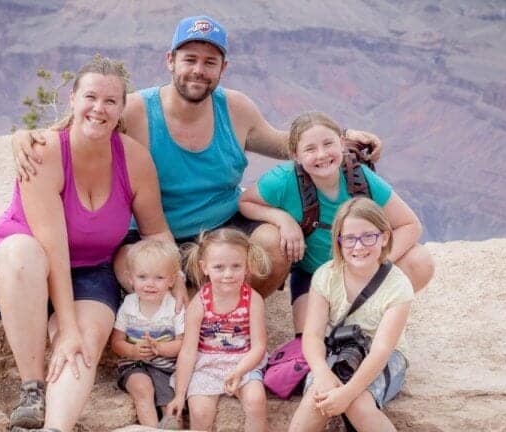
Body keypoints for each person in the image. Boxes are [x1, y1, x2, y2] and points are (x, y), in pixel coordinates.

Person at [10, 15, 384, 299]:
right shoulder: (138, 111)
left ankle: (232, 318)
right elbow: (85, 125)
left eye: (210, 62)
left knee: (274, 246)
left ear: (223, 68)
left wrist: (341, 139)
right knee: (131, 269)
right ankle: (190, 315)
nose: (198, 71)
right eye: (190, 59)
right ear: (170, 60)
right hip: (154, 232)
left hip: (224, 224)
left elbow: (287, 143)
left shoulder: (235, 108)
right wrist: (25, 137)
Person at [0, 55, 172, 432]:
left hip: (89, 271)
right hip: (19, 273)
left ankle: (54, 428)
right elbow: (52, 247)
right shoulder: (44, 151)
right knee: (24, 251)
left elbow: (156, 231)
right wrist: (65, 326)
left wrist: (179, 285)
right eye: (90, 97)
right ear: (73, 99)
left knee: (87, 337)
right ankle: (31, 389)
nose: (99, 108)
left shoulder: (133, 159)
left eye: (110, 101)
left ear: (121, 108)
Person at [239, 112, 434, 334]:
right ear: (295, 155)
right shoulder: (282, 180)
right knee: (309, 341)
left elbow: (409, 225)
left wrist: (377, 263)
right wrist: (283, 220)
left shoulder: (359, 178)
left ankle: (371, 310)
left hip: (362, 272)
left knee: (419, 261)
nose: (321, 155)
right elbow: (246, 202)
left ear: (341, 143)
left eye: (328, 144)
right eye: (310, 149)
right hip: (314, 276)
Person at [288, 197, 414, 432]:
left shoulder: (398, 286)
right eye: (349, 238)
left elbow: (382, 349)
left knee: (358, 405)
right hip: (338, 347)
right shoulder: (326, 276)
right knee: (318, 397)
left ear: (384, 237)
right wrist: (322, 374)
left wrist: (347, 394)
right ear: (338, 240)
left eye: (368, 236)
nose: (358, 247)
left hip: (383, 355)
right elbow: (313, 335)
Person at [165, 228, 270, 432]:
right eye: (219, 267)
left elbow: (259, 346)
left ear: (247, 266)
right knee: (200, 411)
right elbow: (188, 350)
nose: (228, 274)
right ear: (205, 267)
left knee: (256, 401)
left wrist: (239, 371)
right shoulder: (199, 303)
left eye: (236, 266)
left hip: (243, 361)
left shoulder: (253, 300)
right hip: (207, 364)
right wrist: (179, 395)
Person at [110, 239, 185, 428]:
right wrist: (133, 351)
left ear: (171, 280)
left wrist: (160, 348)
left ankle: (172, 426)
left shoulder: (174, 307)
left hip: (166, 366)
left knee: (169, 399)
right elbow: (116, 342)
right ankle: (150, 428)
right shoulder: (129, 305)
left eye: (159, 278)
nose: (150, 284)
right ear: (131, 278)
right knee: (142, 388)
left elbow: (182, 343)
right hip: (133, 364)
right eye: (142, 277)